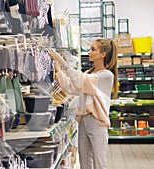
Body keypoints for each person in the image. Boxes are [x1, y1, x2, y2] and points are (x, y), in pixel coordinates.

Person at [48, 38, 118, 169]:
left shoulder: (106, 75)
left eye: (93, 49)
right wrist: (58, 71)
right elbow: (70, 88)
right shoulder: (88, 73)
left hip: (97, 122)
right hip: (84, 121)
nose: (89, 52)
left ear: (103, 54)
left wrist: (62, 61)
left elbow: (81, 80)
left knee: (99, 164)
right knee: (85, 163)